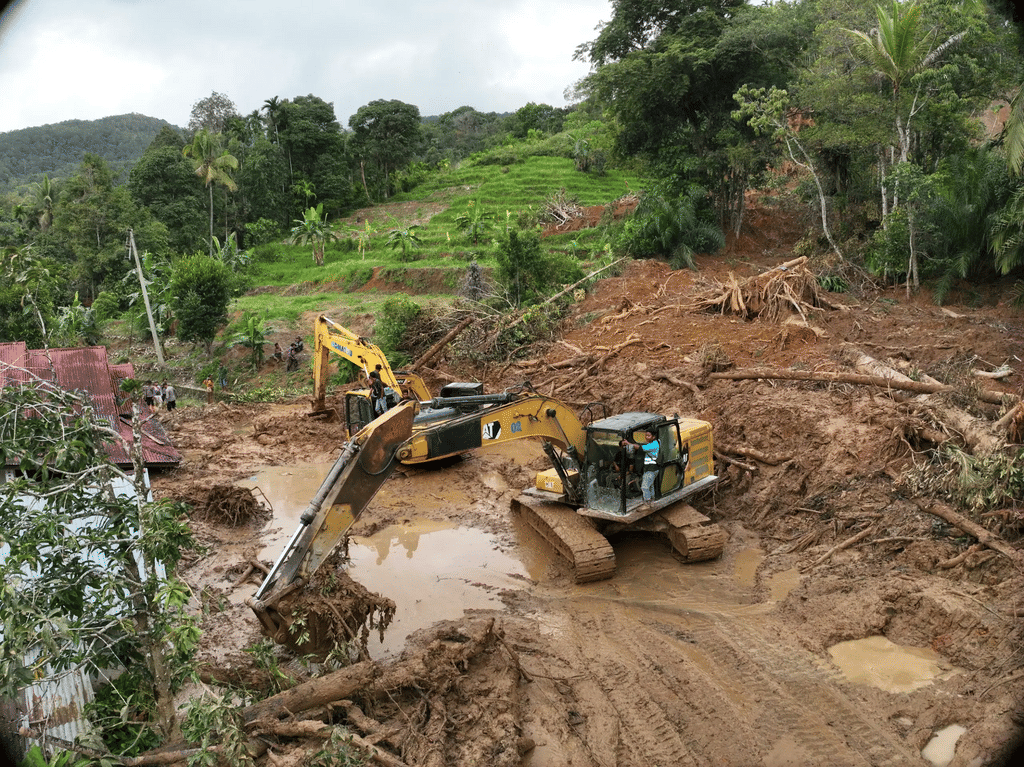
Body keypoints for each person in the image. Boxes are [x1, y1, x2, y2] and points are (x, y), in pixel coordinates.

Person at [621, 429, 660, 508]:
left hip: (651, 470)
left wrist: (628, 443)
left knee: (644, 487)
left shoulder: (653, 445)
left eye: (648, 436)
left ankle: (647, 504)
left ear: (653, 437)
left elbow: (639, 448)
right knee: (650, 486)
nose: (646, 437)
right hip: (652, 469)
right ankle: (652, 502)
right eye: (646, 435)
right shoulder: (654, 443)